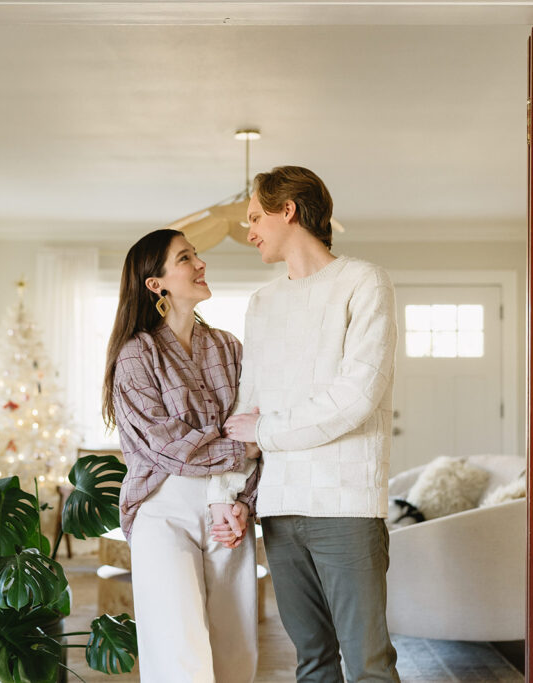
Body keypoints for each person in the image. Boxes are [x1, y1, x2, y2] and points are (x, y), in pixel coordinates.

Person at [218, 166, 400, 682]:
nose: (249, 231)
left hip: (345, 506)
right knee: (312, 661)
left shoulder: (364, 281)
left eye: (255, 216)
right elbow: (243, 414)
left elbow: (355, 398)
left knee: (369, 664)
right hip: (278, 508)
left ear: (288, 211)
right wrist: (231, 493)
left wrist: (266, 430)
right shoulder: (263, 302)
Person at [103, 228, 261, 682]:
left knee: (235, 649)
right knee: (179, 652)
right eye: (186, 258)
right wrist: (243, 446)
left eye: (196, 255)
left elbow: (253, 422)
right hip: (162, 510)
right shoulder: (136, 356)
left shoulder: (229, 348)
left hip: (227, 506)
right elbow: (167, 445)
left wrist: (239, 502)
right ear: (157, 285)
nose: (200, 264)